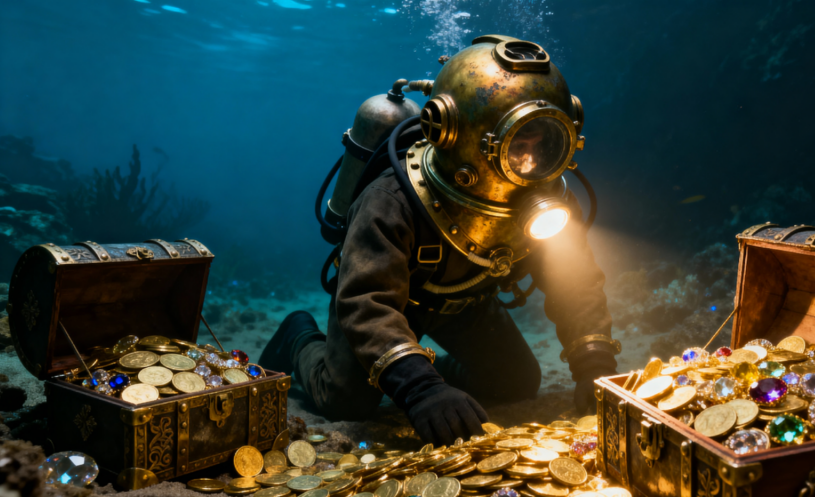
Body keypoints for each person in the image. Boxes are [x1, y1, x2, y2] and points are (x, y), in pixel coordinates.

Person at [261, 34, 620, 445]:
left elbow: (576, 284)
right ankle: (297, 337)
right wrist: (420, 389)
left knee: (516, 380)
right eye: (517, 144)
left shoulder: (547, 198)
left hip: (465, 303)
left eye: (545, 142)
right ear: (456, 133)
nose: (529, 162)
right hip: (388, 304)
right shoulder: (390, 198)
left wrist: (595, 366)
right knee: (345, 401)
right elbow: (365, 302)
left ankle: (426, 367)